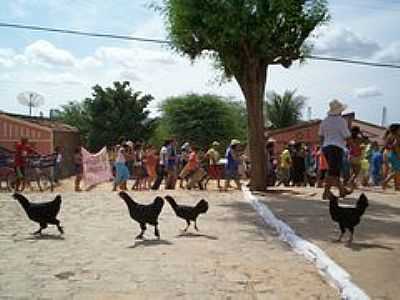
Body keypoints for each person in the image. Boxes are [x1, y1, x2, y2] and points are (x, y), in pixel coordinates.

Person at [319, 99, 352, 199]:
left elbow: (321, 136)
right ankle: (326, 192)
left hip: (326, 147)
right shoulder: (341, 121)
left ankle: (342, 190)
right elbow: (346, 135)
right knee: (333, 172)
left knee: (334, 171)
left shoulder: (324, 121)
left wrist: (322, 147)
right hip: (336, 147)